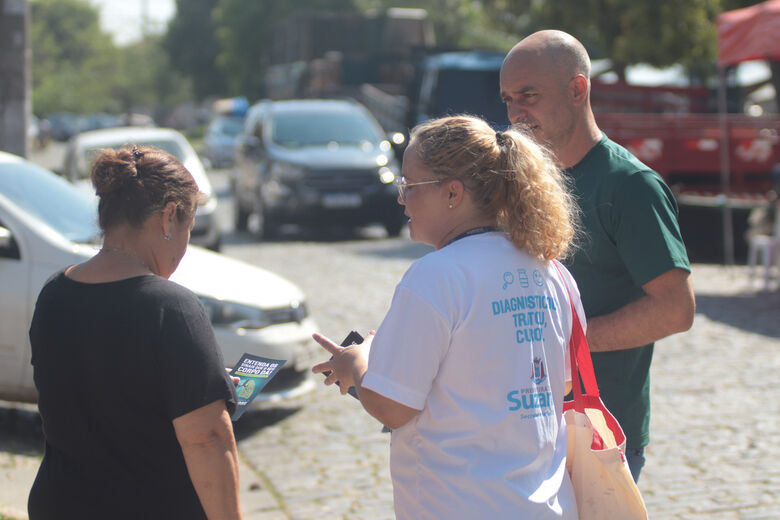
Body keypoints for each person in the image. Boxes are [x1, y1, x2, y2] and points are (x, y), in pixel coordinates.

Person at [313, 115, 582, 519]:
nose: (401, 198)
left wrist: (358, 365)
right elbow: (559, 384)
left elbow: (392, 409)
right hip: (547, 505)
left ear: (453, 193)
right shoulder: (553, 271)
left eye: (410, 186)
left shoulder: (435, 277)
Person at [500, 30, 696, 482]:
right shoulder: (517, 181)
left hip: (599, 438)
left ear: (577, 88)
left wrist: (566, 349)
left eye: (528, 96)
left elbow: (675, 310)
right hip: (523, 433)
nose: (514, 114)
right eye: (508, 99)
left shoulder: (630, 186)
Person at [27, 145, 242, 520]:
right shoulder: (171, 307)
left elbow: (96, 391)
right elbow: (207, 439)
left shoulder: (53, 293)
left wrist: (199, 385)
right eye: (187, 230)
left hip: (60, 504)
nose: (185, 248)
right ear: (169, 217)